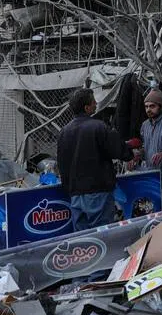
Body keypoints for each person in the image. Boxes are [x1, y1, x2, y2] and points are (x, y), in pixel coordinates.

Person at [57, 88, 140, 231]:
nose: (96, 104)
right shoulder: (98, 126)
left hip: (75, 196)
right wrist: (131, 153)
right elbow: (118, 149)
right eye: (94, 102)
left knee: (82, 238)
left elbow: (62, 163)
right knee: (101, 235)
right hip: (98, 193)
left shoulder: (64, 132)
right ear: (87, 107)